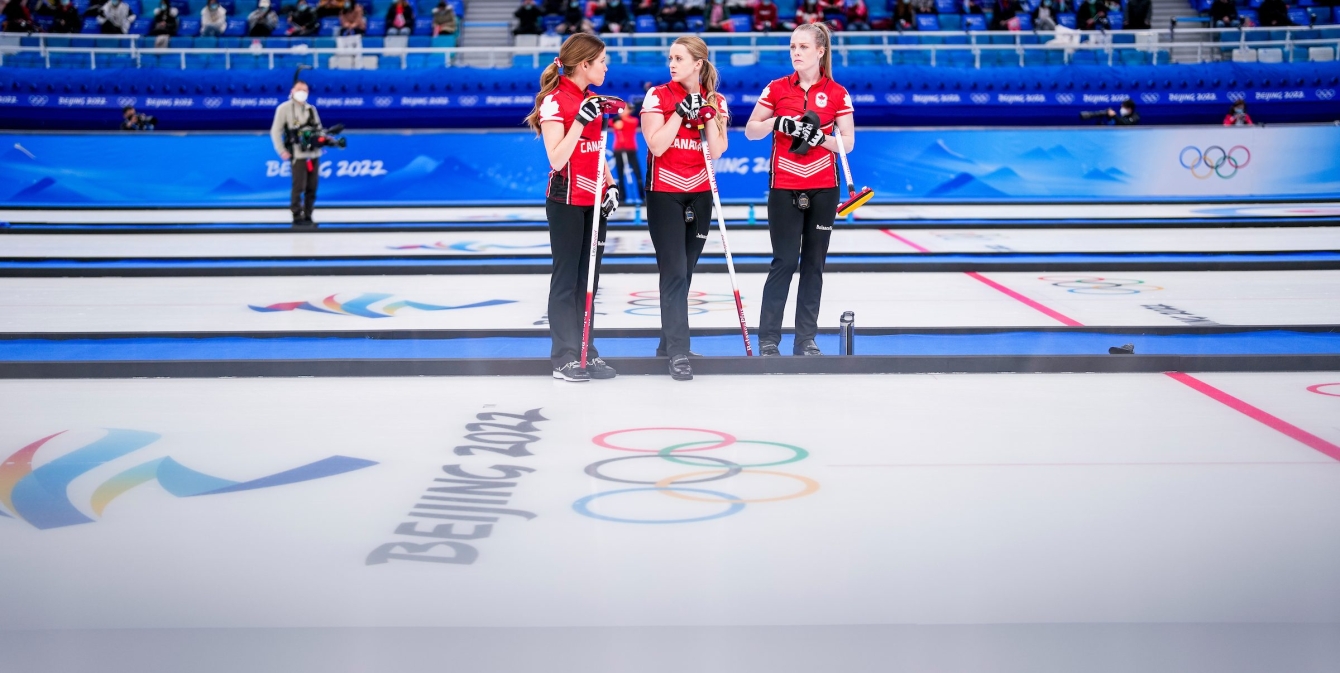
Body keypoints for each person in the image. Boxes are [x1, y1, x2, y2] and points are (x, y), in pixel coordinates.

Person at [743, 22, 854, 357]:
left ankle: (806, 339)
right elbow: (750, 130)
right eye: (792, 47)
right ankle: (768, 340)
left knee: (814, 264)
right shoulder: (777, 88)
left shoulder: (837, 93)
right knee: (784, 260)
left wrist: (823, 138)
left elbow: (847, 142)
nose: (796, 53)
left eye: (803, 47)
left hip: (824, 186)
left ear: (820, 51)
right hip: (784, 186)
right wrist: (776, 122)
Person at [524, 33, 619, 382]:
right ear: (585, 64)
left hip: (594, 200)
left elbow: (597, 149)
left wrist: (610, 184)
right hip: (566, 199)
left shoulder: (592, 98)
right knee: (567, 280)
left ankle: (586, 352)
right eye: (602, 61)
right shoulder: (554, 101)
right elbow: (557, 157)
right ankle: (563, 357)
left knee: (588, 281)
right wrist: (579, 119)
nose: (606, 67)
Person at [639, 36, 730, 380]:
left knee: (685, 272)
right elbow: (657, 145)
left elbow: (718, 148)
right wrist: (679, 113)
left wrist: (707, 113)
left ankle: (668, 343)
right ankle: (678, 351)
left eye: (679, 58)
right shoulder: (658, 95)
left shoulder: (716, 99)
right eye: (670, 58)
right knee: (674, 271)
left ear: (698, 64)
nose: (672, 64)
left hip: (700, 194)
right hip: (665, 193)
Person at [271, 81, 326, 228]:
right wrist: (281, 150)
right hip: (298, 154)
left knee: (312, 186)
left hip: (313, 154)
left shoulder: (311, 109)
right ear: (293, 91)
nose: (302, 92)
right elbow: (276, 131)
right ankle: (297, 215)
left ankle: (308, 215)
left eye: (305, 90)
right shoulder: (284, 108)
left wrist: (322, 143)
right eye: (299, 90)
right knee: (299, 186)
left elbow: (319, 129)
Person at [611, 105, 644, 206]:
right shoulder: (616, 120)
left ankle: (642, 196)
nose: (623, 111)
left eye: (625, 109)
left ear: (630, 110)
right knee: (620, 174)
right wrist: (618, 120)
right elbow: (613, 124)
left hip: (630, 149)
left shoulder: (633, 120)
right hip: (618, 149)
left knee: (637, 173)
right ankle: (622, 197)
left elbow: (627, 124)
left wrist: (621, 119)